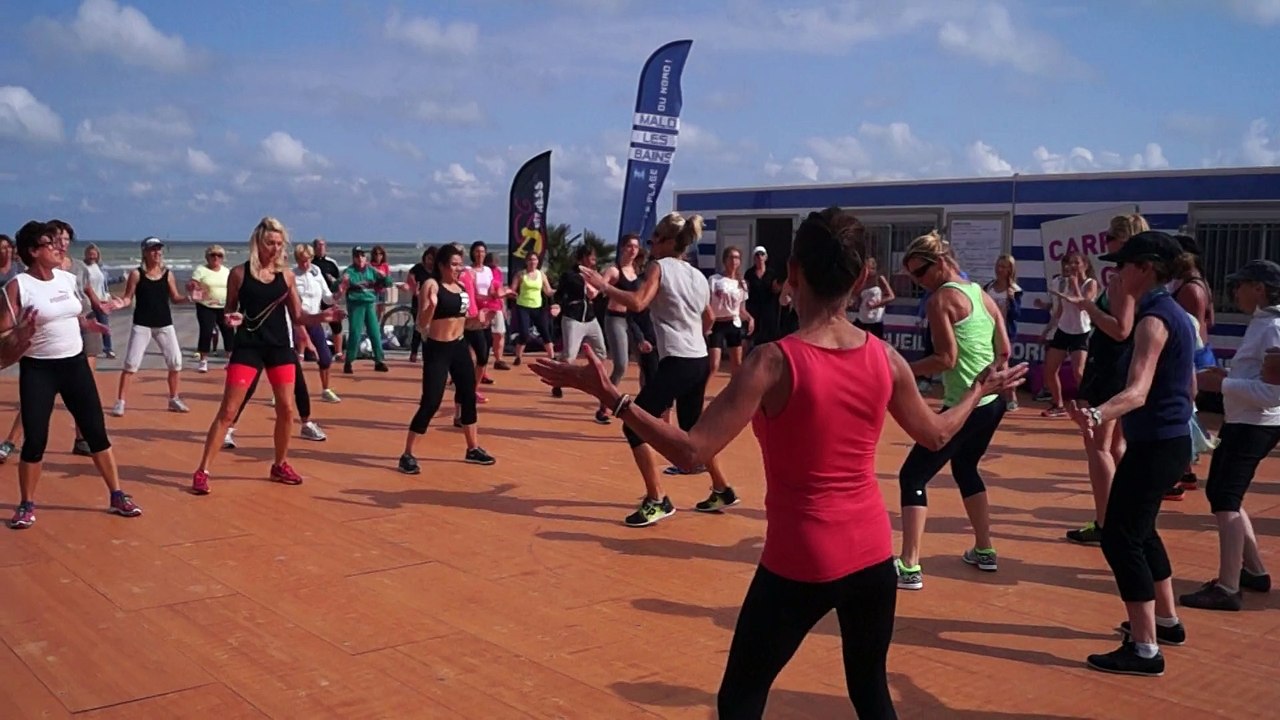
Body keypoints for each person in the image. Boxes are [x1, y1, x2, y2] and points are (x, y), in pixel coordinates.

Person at [531, 207, 1026, 718]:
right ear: (860, 279)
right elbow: (938, 431)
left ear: (791, 273)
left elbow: (692, 453)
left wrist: (613, 399)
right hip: (873, 555)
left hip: (801, 560)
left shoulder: (772, 361)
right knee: (870, 692)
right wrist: (977, 390)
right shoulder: (885, 358)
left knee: (741, 698)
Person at [1065, 231, 1194, 677]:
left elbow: (1137, 391)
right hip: (1168, 442)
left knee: (1120, 537)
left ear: (1146, 268)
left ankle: (1144, 649)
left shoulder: (1153, 320)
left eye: (1123, 265)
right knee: (1142, 531)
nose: (1116, 273)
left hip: (1157, 444)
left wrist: (1098, 414)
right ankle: (1167, 620)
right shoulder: (1171, 313)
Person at [577, 213, 735, 527]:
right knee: (694, 431)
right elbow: (708, 318)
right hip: (698, 358)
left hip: (678, 360)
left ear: (668, 242)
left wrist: (602, 286)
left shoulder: (658, 267)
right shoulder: (697, 275)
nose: (650, 245)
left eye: (654, 240)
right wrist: (691, 337)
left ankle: (657, 499)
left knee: (634, 425)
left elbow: (637, 303)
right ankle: (721, 488)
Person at [1, 221, 140, 529]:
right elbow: (3, 333)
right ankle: (26, 504)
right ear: (33, 251)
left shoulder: (65, 278)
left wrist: (86, 324)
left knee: (96, 432)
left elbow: (73, 312)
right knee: (35, 439)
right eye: (50, 244)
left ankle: (117, 495)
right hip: (39, 369)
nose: (58, 247)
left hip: (74, 365)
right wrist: (19, 332)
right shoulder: (18, 286)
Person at [190, 217, 344, 495]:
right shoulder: (239, 274)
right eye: (270, 243)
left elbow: (298, 316)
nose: (275, 248)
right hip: (248, 347)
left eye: (279, 243)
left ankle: (279, 464)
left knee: (286, 408)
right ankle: (202, 470)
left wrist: (323, 315)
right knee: (227, 411)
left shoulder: (286, 277)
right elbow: (228, 313)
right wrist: (231, 320)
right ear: (258, 243)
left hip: (279, 348)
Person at [894, 231, 1010, 591]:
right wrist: (994, 381)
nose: (918, 281)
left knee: (912, 476)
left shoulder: (941, 300)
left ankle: (910, 565)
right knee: (965, 467)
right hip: (991, 403)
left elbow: (946, 358)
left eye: (920, 273)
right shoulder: (981, 294)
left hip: (966, 404)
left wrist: (898, 368)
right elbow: (1004, 348)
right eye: (913, 275)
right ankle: (985, 548)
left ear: (941, 263)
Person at [1181, 259, 1280, 611]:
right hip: (1247, 421)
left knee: (1225, 499)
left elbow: (1274, 393)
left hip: (1256, 424)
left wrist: (1222, 383)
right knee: (1226, 495)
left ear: (1259, 288)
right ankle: (1252, 570)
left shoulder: (1274, 328)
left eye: (1241, 285)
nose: (1234, 291)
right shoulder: (1265, 323)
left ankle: (1227, 586)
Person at [1061, 213, 1147, 545]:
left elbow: (1120, 328)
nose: (1106, 242)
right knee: (1116, 445)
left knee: (1098, 445)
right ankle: (1125, 515)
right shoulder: (1141, 279)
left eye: (1111, 237)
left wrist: (1089, 308)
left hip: (1109, 365)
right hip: (1124, 366)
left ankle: (1107, 522)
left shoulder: (1120, 279)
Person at [399, 243, 495, 473]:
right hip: (437, 349)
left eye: (460, 264)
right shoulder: (432, 285)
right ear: (441, 265)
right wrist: (431, 307)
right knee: (431, 402)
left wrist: (480, 320)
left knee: (468, 396)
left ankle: (473, 448)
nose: (458, 268)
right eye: (453, 264)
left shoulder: (461, 287)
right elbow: (422, 324)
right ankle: (408, 454)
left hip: (459, 346)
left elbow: (464, 321)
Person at [111, 237, 192, 416]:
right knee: (131, 364)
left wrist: (190, 298)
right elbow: (128, 297)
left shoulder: (168, 274)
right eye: (153, 250)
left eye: (159, 249)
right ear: (145, 253)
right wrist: (120, 304)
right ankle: (120, 401)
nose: (157, 253)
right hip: (142, 324)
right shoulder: (137, 274)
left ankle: (174, 398)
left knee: (176, 362)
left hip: (164, 324)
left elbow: (176, 298)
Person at [1041, 251, 1097, 417]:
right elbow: (1059, 311)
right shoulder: (1064, 282)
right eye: (1070, 263)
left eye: (1076, 263)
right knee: (1050, 370)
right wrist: (1047, 330)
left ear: (1085, 265)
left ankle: (1088, 407)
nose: (1071, 266)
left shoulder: (1090, 283)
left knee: (1079, 373)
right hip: (1063, 330)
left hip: (1081, 332)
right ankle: (1058, 405)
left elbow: (1082, 305)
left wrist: (1074, 285)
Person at [340, 246, 391, 374]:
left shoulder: (371, 270)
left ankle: (379, 361)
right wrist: (344, 281)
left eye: (362, 255)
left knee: (374, 332)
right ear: (353, 258)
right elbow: (337, 284)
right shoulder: (349, 271)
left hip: (369, 303)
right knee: (355, 333)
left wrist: (383, 276)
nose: (360, 258)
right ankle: (349, 361)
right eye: (357, 256)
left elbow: (388, 283)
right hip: (356, 304)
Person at [707, 247, 755, 377]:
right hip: (716, 324)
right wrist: (706, 323)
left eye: (737, 258)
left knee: (737, 364)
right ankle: (699, 395)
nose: (734, 260)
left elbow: (741, 309)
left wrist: (750, 318)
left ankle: (734, 395)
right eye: (731, 257)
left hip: (733, 324)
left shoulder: (742, 284)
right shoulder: (714, 279)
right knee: (714, 365)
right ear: (724, 260)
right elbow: (707, 303)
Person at [508, 250, 556, 365]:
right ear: (526, 261)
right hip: (523, 307)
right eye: (530, 260)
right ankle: (518, 356)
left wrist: (558, 291)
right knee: (524, 333)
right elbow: (512, 290)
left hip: (538, 307)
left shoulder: (541, 274)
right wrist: (513, 295)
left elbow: (548, 291)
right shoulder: (521, 274)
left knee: (545, 331)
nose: (532, 262)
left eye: (534, 259)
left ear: (538, 261)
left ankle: (552, 357)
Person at [191, 245, 233, 373]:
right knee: (206, 331)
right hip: (206, 306)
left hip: (224, 306)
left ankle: (230, 361)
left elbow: (233, 287)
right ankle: (203, 361)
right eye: (212, 255)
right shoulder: (201, 270)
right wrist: (195, 288)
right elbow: (193, 283)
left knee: (228, 331)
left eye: (219, 255)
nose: (216, 258)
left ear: (223, 258)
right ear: (207, 257)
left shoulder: (227, 271)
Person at [851, 256, 894, 340]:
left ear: (873, 268)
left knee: (877, 342)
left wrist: (875, 305)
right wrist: (855, 302)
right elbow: (858, 297)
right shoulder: (862, 280)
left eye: (867, 268)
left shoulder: (879, 279)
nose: (865, 271)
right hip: (862, 317)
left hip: (875, 319)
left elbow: (891, 296)